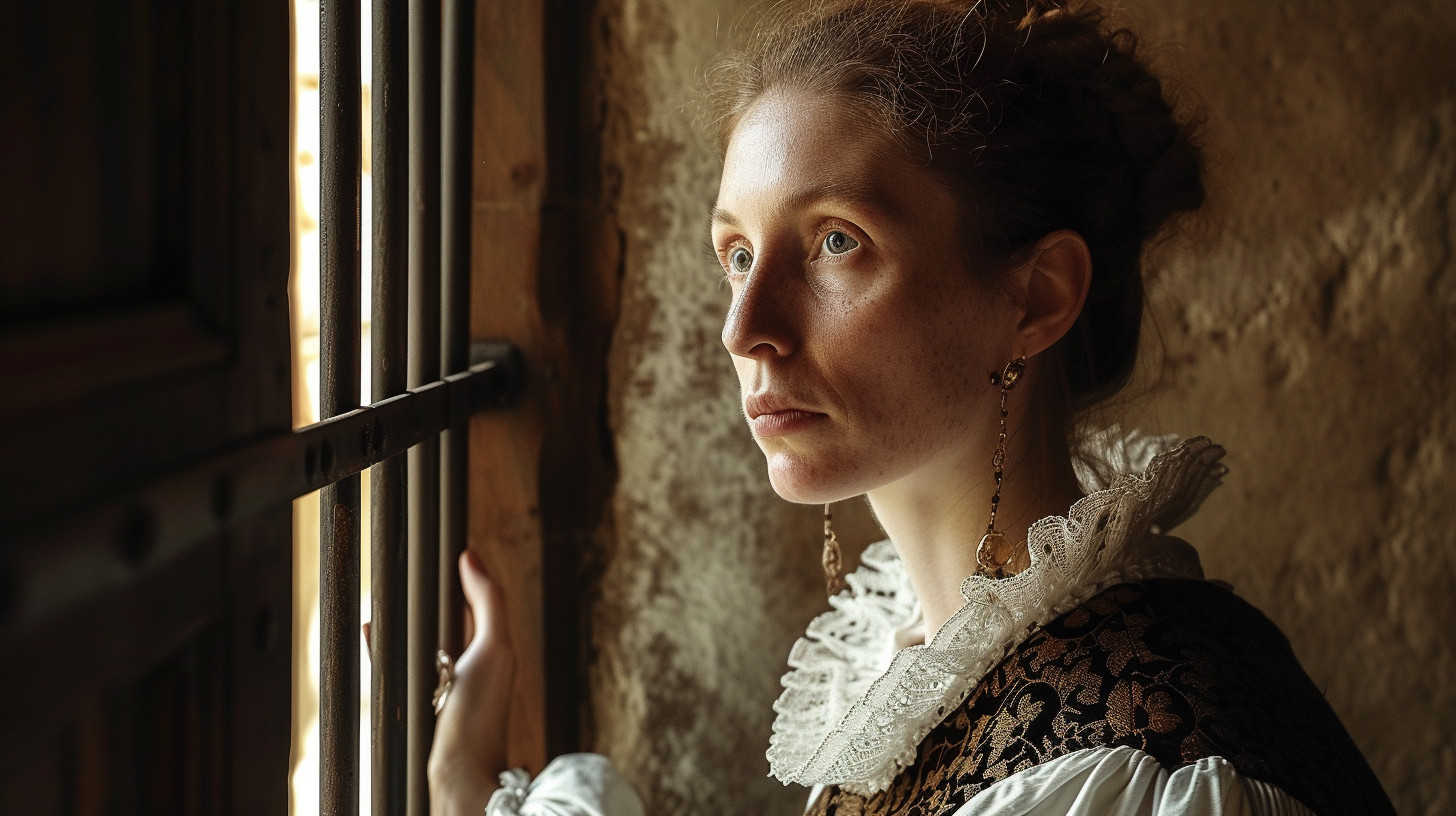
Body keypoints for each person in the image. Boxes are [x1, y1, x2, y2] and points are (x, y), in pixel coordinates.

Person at [428, 1, 1395, 813]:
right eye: (735, 254)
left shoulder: (1140, 766)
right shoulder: (929, 651)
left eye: (836, 243)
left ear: (1036, 297)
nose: (745, 328)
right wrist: (474, 784)